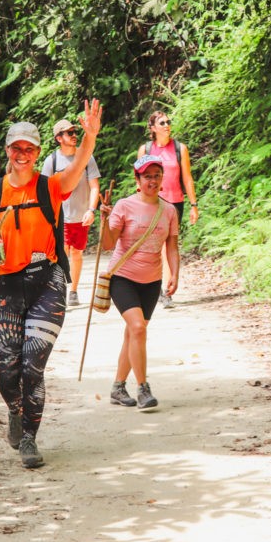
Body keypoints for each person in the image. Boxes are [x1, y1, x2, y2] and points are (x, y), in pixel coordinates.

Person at [0, 99, 103, 469]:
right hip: (7, 284)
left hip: (47, 280)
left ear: (38, 152)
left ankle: (29, 438)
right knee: (6, 371)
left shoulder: (52, 187)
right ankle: (15, 410)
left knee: (32, 365)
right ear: (8, 151)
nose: (23, 154)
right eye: (17, 148)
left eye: (30, 148)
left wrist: (89, 136)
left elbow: (79, 166)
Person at [99, 154, 179, 410]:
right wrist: (103, 220)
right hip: (124, 277)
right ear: (137, 179)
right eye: (147, 176)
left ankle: (117, 387)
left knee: (134, 333)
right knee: (138, 328)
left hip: (151, 281)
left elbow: (172, 247)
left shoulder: (168, 210)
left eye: (156, 175)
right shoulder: (124, 206)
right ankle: (143, 389)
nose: (152, 181)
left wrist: (174, 274)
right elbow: (108, 244)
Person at [136, 111, 198, 308]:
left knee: (170, 244)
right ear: (153, 128)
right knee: (157, 246)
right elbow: (138, 180)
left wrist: (194, 205)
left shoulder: (180, 148)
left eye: (168, 122)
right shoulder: (145, 150)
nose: (167, 125)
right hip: (152, 203)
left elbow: (187, 178)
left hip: (174, 203)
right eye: (162, 123)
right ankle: (157, 287)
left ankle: (168, 289)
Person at [40, 118, 100, 305]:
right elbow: (43, 191)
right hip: (60, 216)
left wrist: (91, 210)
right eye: (69, 133)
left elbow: (95, 186)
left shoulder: (86, 157)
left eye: (75, 132)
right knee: (62, 252)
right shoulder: (52, 160)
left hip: (81, 215)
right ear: (59, 137)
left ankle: (73, 290)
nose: (74, 136)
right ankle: (60, 289)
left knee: (77, 253)